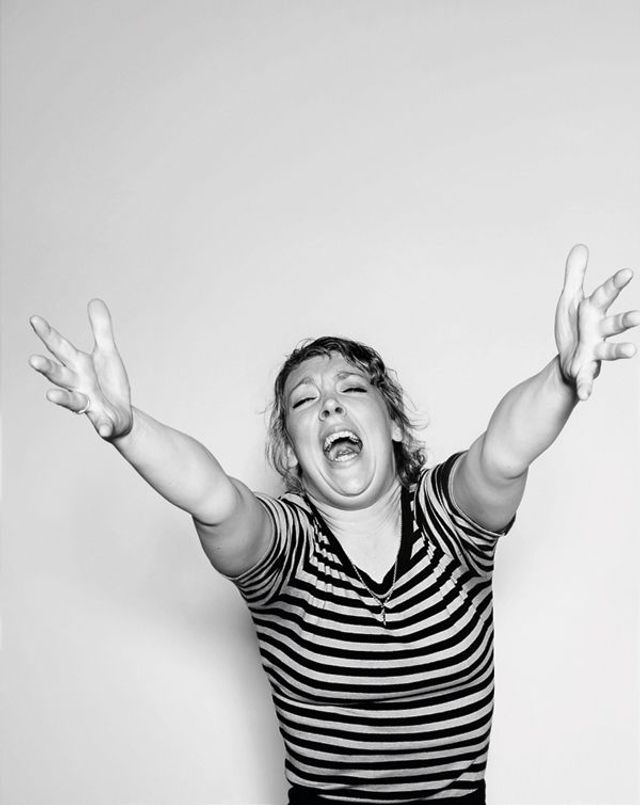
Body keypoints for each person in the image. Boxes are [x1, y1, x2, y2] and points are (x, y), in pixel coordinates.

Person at [29, 245, 639, 804]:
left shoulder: (447, 518)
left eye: (352, 388)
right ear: (292, 451)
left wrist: (562, 377)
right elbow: (214, 498)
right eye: (304, 400)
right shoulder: (287, 546)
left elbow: (503, 451)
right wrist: (130, 428)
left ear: (393, 424)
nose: (329, 404)